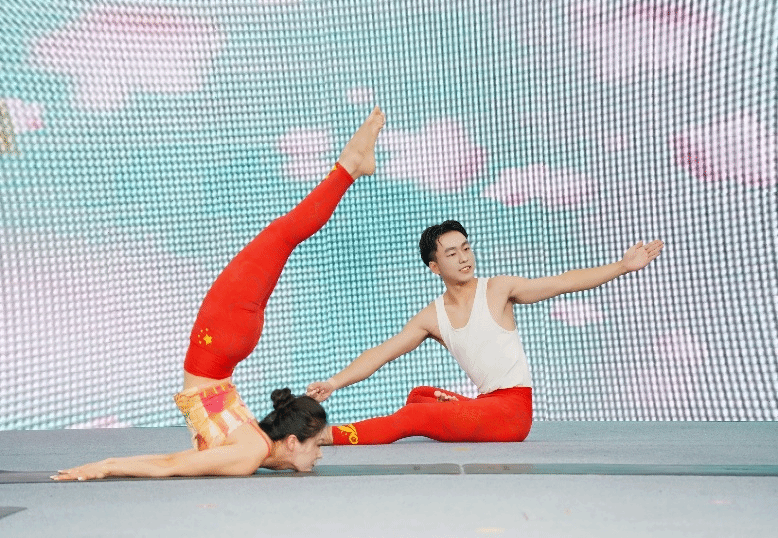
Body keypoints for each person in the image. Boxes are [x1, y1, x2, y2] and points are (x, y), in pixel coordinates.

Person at [53, 107, 386, 480]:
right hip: (220, 348)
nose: (320, 454)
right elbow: (173, 464)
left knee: (283, 235)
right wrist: (105, 467)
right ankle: (350, 165)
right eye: (317, 445)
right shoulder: (250, 452)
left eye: (318, 445)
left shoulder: (251, 452)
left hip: (222, 344)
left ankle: (350, 165)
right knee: (282, 235)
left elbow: (173, 464)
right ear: (291, 441)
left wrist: (106, 466)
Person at [307, 220, 664, 444]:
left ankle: (327, 436)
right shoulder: (432, 316)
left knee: (414, 417)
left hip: (512, 413)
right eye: (451, 253)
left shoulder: (497, 289)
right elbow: (381, 353)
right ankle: (465, 409)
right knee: (420, 396)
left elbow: (563, 282)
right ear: (434, 267)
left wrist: (622, 266)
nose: (464, 258)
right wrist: (334, 383)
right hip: (488, 405)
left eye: (466, 248)